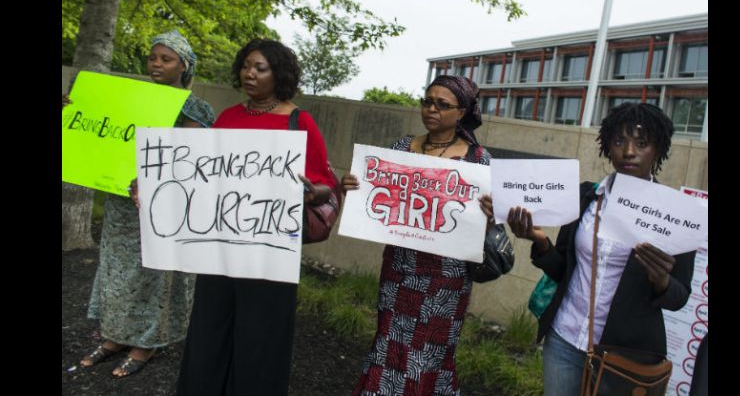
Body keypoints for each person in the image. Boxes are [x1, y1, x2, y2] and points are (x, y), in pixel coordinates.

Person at [175, 38, 337, 396]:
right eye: (246, 66)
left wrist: (315, 191)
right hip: (220, 250)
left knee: (260, 335)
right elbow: (201, 175)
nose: (250, 73)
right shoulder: (228, 117)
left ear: (278, 74)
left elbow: (326, 185)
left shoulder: (300, 122)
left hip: (269, 253)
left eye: (260, 68)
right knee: (210, 328)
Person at [506, 102, 696, 396]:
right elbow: (563, 270)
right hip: (564, 340)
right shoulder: (585, 196)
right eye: (619, 141)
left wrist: (661, 281)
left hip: (624, 356)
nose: (628, 151)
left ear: (657, 150)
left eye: (641, 143)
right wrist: (540, 241)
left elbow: (679, 296)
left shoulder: (673, 215)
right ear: (607, 145)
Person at [342, 75, 499, 396]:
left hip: (447, 280)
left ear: (463, 112)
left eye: (443, 105)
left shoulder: (479, 160)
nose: (431, 109)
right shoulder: (400, 148)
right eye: (427, 101)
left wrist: (493, 214)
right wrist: (355, 190)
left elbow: (493, 224)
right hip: (399, 269)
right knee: (388, 344)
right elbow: (377, 198)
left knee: (431, 353)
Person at [77, 30, 216, 378]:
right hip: (122, 201)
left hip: (163, 204)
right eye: (153, 57)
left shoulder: (196, 108)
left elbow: (191, 158)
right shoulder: (130, 98)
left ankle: (147, 343)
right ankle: (116, 337)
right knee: (118, 269)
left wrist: (153, 177)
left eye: (166, 58)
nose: (156, 63)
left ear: (184, 66)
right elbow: (101, 131)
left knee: (157, 274)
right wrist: (74, 109)